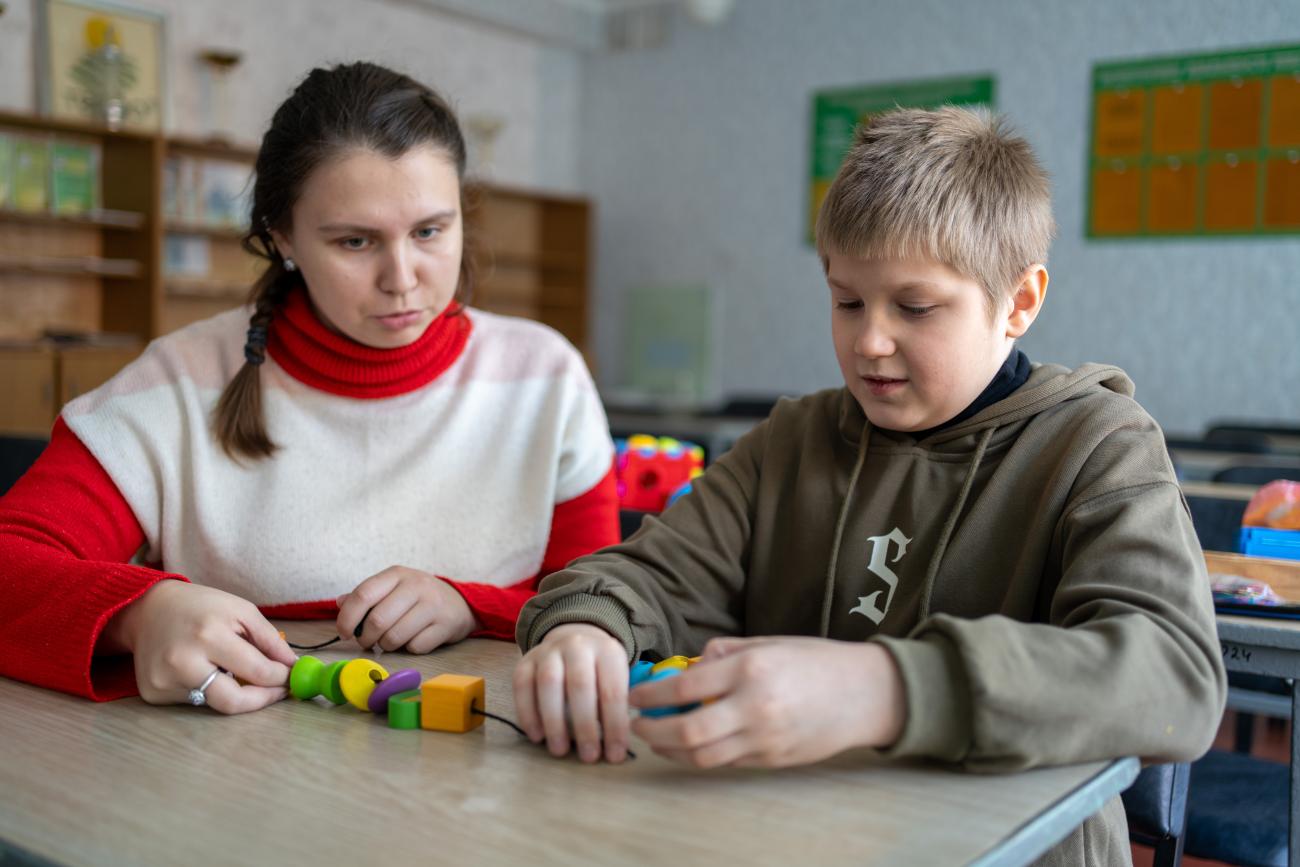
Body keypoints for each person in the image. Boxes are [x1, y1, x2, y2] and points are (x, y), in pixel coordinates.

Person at [512, 106, 1225, 865]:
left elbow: (1174, 676)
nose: (869, 340)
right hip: (788, 841)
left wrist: (884, 687)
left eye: (914, 307)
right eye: (847, 299)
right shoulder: (793, 441)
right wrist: (584, 626)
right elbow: (642, 576)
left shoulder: (1099, 446)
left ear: (1018, 303)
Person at [0, 62, 618, 715]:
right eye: (356, 240)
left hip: (479, 769)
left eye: (430, 231)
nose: (402, 278)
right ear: (283, 237)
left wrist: (473, 604)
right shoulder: (176, 385)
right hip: (232, 772)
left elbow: (607, 600)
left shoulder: (546, 375)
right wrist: (138, 613)